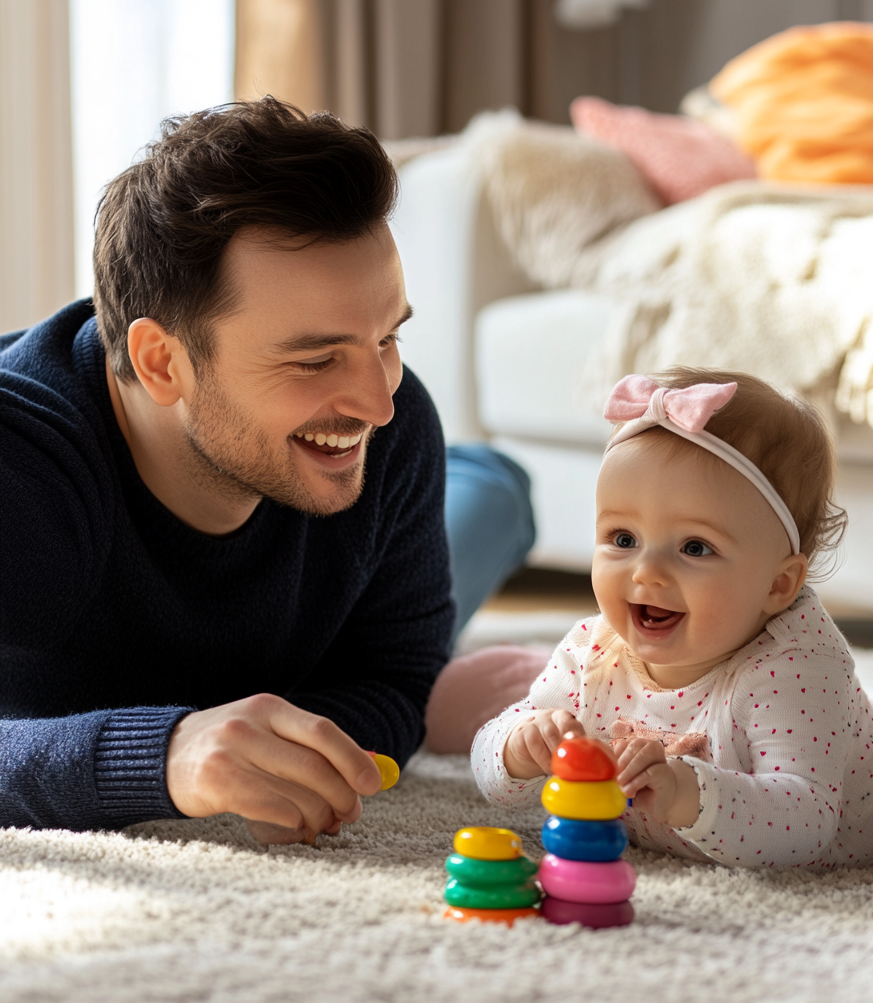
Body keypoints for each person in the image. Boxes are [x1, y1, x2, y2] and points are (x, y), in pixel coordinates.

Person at [0, 97, 532, 843]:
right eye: (315, 359)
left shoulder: (396, 420)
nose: (378, 402)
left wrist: (283, 747)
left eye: (386, 338)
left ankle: (490, 475)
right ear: (162, 362)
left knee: (499, 497)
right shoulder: (23, 464)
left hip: (324, 518)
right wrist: (166, 756)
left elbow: (396, 683)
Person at [472, 367, 873, 869]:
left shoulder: (792, 671)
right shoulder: (595, 648)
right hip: (830, 723)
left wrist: (689, 792)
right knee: (497, 717)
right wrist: (520, 746)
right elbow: (498, 771)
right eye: (623, 538)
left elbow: (805, 822)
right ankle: (483, 676)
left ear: (779, 584)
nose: (648, 571)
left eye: (694, 547)